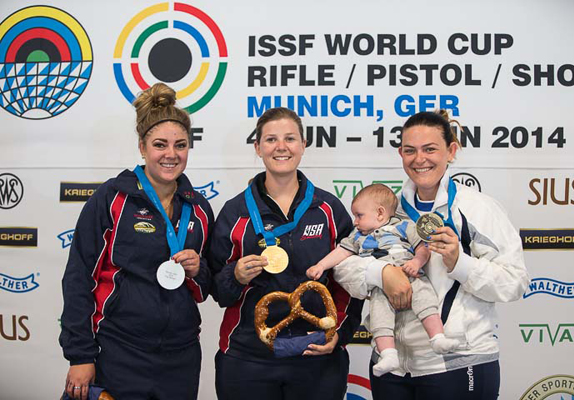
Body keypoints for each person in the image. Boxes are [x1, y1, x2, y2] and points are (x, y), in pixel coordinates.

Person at [333, 110, 529, 399]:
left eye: (430, 149)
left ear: (451, 151)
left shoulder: (477, 209)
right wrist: (381, 274)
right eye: (410, 150)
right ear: (400, 153)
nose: (419, 159)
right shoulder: (385, 209)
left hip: (458, 362)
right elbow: (344, 268)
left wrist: (460, 263)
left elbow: (515, 282)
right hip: (392, 365)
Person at [59, 83, 214, 400]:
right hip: (119, 350)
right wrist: (81, 355)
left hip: (181, 357)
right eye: (160, 145)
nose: (171, 154)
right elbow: (78, 277)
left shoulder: (199, 208)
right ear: (143, 147)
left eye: (180, 145)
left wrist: (198, 270)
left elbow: (206, 288)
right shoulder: (111, 198)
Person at [208, 107, 363, 400]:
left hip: (317, 356)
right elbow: (217, 291)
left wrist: (339, 336)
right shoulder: (235, 212)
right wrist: (235, 276)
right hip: (247, 358)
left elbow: (353, 283)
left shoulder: (328, 210)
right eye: (270, 139)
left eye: (290, 138)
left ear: (303, 145)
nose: (281, 147)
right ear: (257, 147)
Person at [306, 183, 462, 378]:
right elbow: (341, 252)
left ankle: (438, 338)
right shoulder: (357, 237)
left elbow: (423, 248)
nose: (355, 222)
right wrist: (321, 266)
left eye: (359, 215)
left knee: (426, 301)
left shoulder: (405, 226)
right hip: (381, 288)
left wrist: (416, 261)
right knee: (379, 317)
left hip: (411, 275)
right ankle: (388, 355)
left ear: (380, 213)